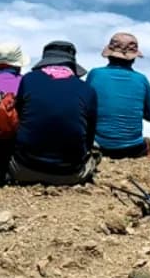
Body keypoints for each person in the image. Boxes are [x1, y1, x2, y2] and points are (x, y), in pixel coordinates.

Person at [9, 41, 100, 185]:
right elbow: (89, 136)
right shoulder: (87, 90)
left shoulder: (28, 80)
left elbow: (18, 119)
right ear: (72, 65)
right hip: (71, 173)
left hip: (24, 169)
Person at [86, 32, 150, 158]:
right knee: (147, 142)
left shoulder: (95, 74)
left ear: (109, 55)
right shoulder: (141, 79)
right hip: (133, 148)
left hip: (97, 145)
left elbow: (85, 107)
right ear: (133, 57)